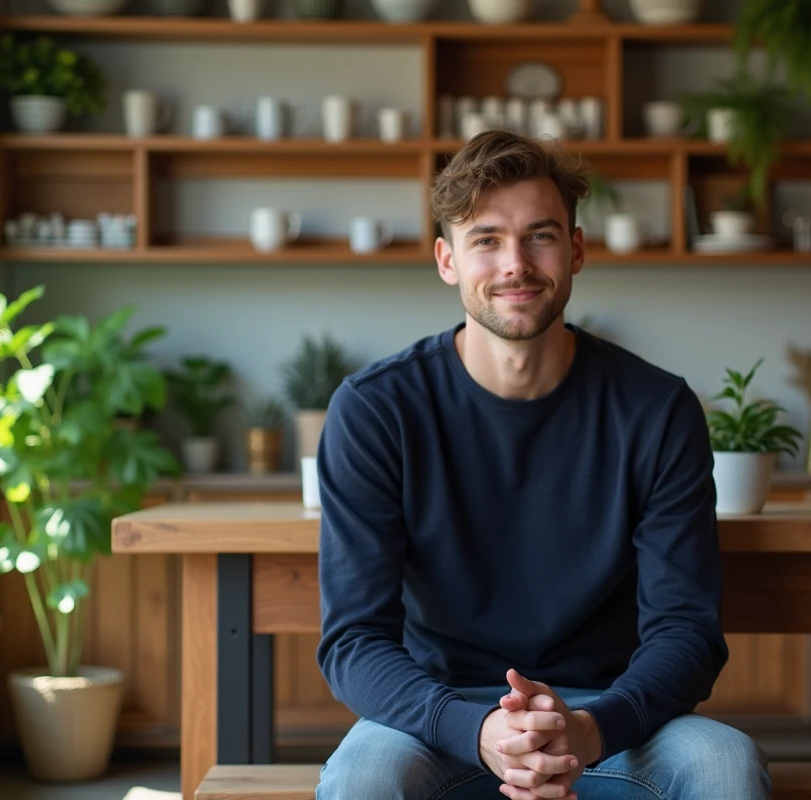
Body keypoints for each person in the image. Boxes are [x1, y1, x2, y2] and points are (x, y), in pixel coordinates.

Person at [315, 130, 771, 800]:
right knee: (362, 780)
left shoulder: (656, 409)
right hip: (435, 718)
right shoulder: (376, 410)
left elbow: (687, 631)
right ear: (447, 260)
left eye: (540, 235)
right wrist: (476, 730)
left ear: (577, 249)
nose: (515, 263)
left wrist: (589, 728)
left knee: (722, 767)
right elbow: (354, 639)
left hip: (613, 713)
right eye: (487, 240)